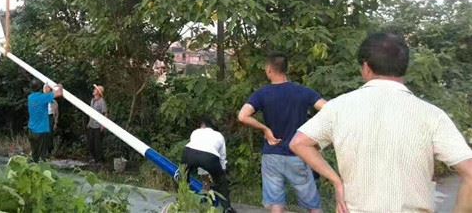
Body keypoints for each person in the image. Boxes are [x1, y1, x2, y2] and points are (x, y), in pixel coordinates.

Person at [290, 33, 472, 213]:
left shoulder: (338, 107)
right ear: (404, 67)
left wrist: (337, 181)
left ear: (366, 67)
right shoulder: (431, 115)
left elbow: (299, 143)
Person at [237, 52, 327, 213]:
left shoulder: (262, 93)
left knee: (276, 203)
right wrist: (314, 135)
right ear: (287, 69)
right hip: (299, 153)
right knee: (313, 205)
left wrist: (265, 129)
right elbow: (328, 110)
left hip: (272, 154)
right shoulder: (304, 92)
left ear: (269, 69)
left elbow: (242, 116)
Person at [182, 117, 235, 212]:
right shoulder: (219, 136)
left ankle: (181, 201)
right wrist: (221, 174)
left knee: (183, 176)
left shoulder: (196, 132)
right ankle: (227, 208)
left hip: (189, 153)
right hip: (209, 156)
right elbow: (222, 158)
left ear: (203, 125)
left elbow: (197, 150)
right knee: (221, 182)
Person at [28, 80, 63, 162]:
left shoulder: (30, 97)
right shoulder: (43, 98)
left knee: (34, 154)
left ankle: (33, 168)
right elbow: (59, 93)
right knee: (42, 155)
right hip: (41, 130)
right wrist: (60, 86)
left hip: (31, 130)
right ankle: (41, 169)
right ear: (40, 88)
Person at [87, 84, 107, 163]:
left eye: (95, 90)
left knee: (97, 144)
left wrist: (103, 125)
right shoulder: (92, 101)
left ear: (98, 92)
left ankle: (99, 160)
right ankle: (93, 158)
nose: (93, 91)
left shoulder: (102, 101)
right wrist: (89, 122)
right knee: (91, 143)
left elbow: (105, 113)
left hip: (98, 126)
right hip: (92, 125)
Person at [43, 84, 59, 158]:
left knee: (49, 134)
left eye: (48, 88)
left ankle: (49, 151)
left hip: (50, 117)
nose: (47, 89)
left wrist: (55, 123)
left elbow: (57, 114)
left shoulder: (54, 102)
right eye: (46, 88)